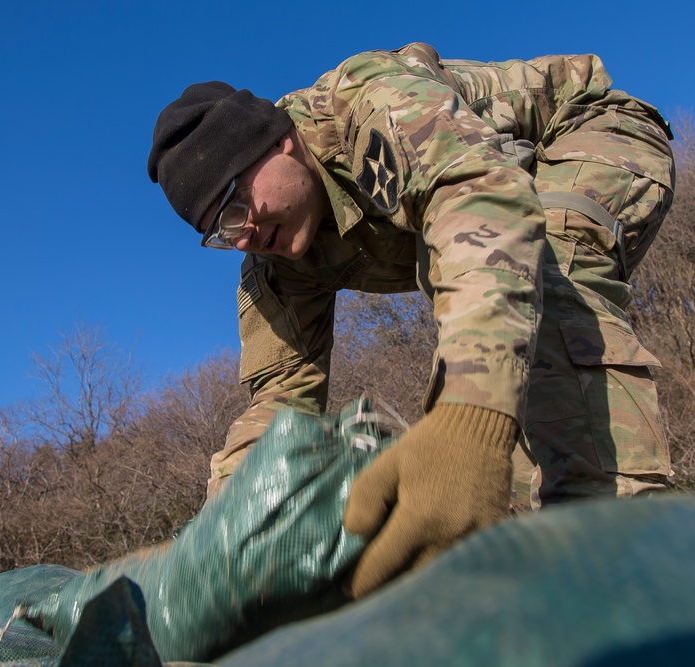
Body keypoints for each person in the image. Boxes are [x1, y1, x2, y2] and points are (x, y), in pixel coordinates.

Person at [146, 43, 676, 598]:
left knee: (540, 279)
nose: (242, 236)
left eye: (236, 207)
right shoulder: (274, 255)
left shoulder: (368, 102)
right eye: (220, 233)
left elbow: (480, 201)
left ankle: (630, 557)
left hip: (586, 130)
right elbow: (277, 402)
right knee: (494, 473)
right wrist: (213, 549)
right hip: (498, 204)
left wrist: (469, 418)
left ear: (280, 144)